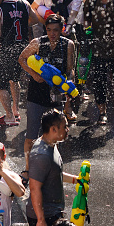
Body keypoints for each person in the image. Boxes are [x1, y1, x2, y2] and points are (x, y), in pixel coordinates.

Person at [19, 14, 75, 174]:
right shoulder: (37, 43)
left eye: (56, 30)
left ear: (62, 30)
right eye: (49, 30)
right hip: (36, 95)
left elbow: (70, 70)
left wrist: (69, 94)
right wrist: (34, 74)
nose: (52, 34)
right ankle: (28, 169)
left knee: (54, 135)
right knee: (31, 135)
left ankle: (50, 168)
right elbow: (22, 58)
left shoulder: (68, 45)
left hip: (56, 96)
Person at [0, 0, 37, 127]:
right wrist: (24, 23)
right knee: (14, 79)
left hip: (6, 49)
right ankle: (16, 111)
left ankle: (9, 116)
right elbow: (35, 20)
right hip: (22, 49)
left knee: (1, 84)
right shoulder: (25, 4)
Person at [25, 110, 79, 226]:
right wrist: (41, 220)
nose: (68, 130)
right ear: (54, 129)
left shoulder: (50, 143)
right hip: (46, 216)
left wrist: (76, 180)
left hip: (52, 213)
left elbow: (54, 173)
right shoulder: (42, 155)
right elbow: (34, 188)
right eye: (65, 127)